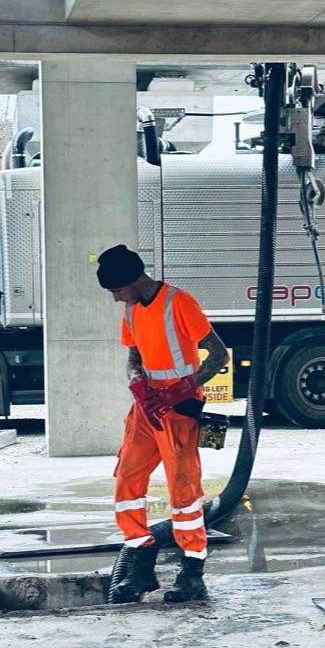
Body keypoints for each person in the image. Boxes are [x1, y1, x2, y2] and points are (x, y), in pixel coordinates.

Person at [96, 244, 229, 604]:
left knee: (183, 492)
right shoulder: (131, 308)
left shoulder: (179, 303)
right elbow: (133, 356)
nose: (115, 299)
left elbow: (217, 354)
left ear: (135, 280)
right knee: (127, 478)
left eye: (117, 291)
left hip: (179, 408)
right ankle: (139, 566)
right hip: (146, 407)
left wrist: (181, 390)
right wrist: (136, 381)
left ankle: (192, 573)